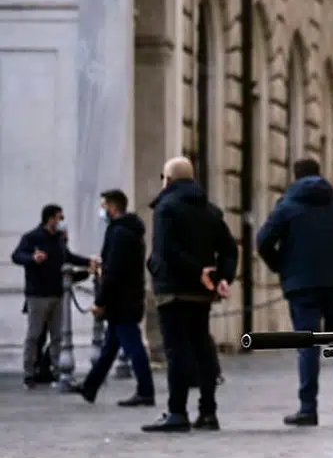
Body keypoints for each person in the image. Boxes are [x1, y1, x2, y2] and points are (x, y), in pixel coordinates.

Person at [257, 157, 333, 426]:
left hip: (301, 286)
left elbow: (263, 242)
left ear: (295, 177)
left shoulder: (286, 208)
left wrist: (282, 267)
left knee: (306, 346)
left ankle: (308, 408)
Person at [142, 156, 237, 432]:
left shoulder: (165, 208)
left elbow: (166, 250)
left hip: (172, 290)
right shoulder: (210, 210)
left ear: (168, 179)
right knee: (202, 348)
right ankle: (208, 412)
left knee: (177, 351)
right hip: (201, 293)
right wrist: (220, 277)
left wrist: (196, 271)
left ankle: (177, 411)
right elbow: (230, 249)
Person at [76, 190, 156, 406]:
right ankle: (90, 387)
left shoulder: (119, 233)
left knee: (133, 347)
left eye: (103, 206)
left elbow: (113, 271)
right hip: (128, 297)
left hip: (122, 301)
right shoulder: (129, 231)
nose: (102, 211)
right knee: (110, 347)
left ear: (113, 206)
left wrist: (100, 301)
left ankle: (146, 391)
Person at [11, 204, 88, 389]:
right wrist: (32, 258)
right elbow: (17, 255)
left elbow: (67, 257)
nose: (62, 222)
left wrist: (88, 262)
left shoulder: (59, 240)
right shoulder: (32, 237)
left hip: (57, 293)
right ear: (50, 219)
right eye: (59, 218)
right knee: (34, 335)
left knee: (57, 336)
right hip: (37, 294)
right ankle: (29, 373)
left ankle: (56, 370)